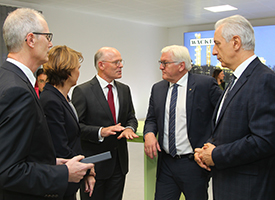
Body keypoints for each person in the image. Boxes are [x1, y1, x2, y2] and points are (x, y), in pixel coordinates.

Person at [0, 8, 95, 200]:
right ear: (31, 40)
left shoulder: (8, 77)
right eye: (47, 36)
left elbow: (22, 151)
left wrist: (51, 162)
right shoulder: (17, 91)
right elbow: (8, 171)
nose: (51, 43)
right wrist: (64, 173)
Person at [194, 15, 275, 200]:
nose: (214, 51)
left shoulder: (263, 79)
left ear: (236, 42)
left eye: (217, 44)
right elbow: (229, 128)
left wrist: (217, 154)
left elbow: (264, 140)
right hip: (229, 182)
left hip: (247, 188)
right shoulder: (236, 79)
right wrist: (207, 148)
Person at [143, 45, 222, 200]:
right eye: (160, 62)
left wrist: (209, 144)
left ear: (181, 66)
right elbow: (151, 118)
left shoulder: (205, 85)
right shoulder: (158, 88)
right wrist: (149, 133)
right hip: (166, 163)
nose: (161, 67)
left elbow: (222, 117)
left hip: (193, 163)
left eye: (165, 63)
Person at [72, 47, 138, 200]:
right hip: (94, 164)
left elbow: (131, 117)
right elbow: (76, 128)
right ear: (101, 65)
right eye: (116, 62)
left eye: (121, 62)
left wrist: (129, 128)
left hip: (119, 164)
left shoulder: (124, 90)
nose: (121, 65)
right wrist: (100, 131)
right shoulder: (82, 91)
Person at [40, 45, 94, 200]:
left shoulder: (63, 97)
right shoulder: (51, 100)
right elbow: (60, 147)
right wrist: (87, 168)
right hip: (59, 182)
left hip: (68, 179)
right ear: (67, 71)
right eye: (77, 68)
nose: (79, 72)